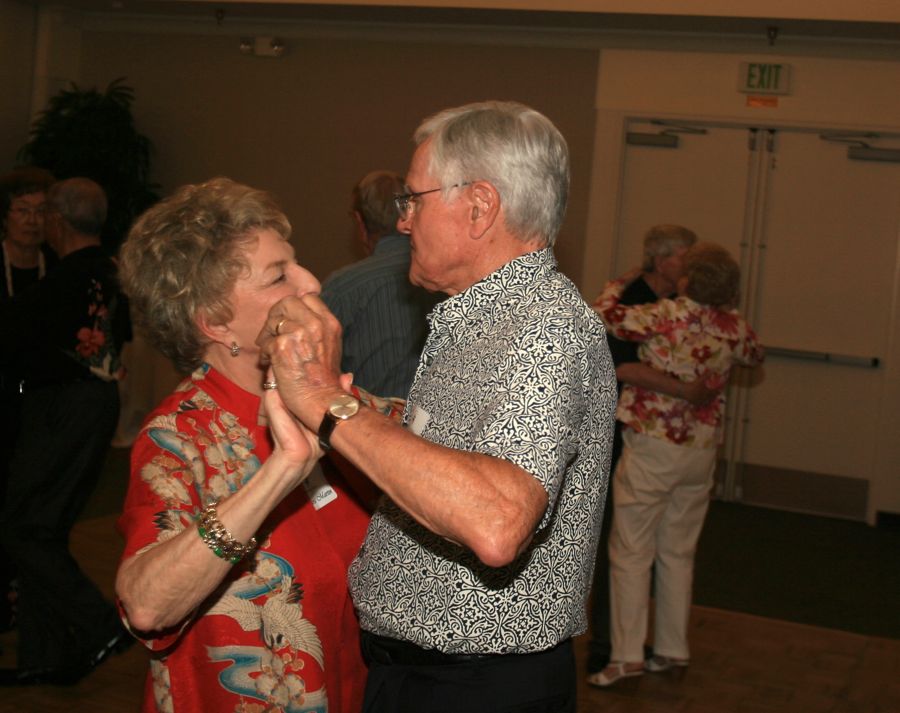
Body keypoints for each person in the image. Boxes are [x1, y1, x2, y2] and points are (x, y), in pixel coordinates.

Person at [257, 101, 617, 711]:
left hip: (475, 685)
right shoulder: (479, 317)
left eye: (415, 200)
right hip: (433, 676)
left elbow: (499, 522)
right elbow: (428, 483)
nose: (402, 223)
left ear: (478, 207)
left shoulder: (543, 329)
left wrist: (325, 402)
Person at [114, 178, 399, 713]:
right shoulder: (180, 437)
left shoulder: (338, 401)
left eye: (297, 263)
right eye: (279, 277)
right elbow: (148, 607)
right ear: (217, 322)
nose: (311, 282)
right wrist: (283, 469)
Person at [590, 242, 764, 687]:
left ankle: (625, 657)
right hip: (702, 451)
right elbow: (755, 356)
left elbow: (607, 314)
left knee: (630, 550)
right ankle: (671, 650)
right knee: (678, 551)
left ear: (688, 280)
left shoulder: (667, 313)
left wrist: (620, 282)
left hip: (654, 443)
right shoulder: (735, 327)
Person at [0, 177, 130, 685]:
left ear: (57, 220)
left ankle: (98, 624)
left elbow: (15, 340)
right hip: (91, 406)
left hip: (63, 412)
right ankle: (46, 654)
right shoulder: (111, 272)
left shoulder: (64, 280)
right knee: (42, 526)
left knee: (23, 528)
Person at [586, 223, 714, 679]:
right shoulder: (638, 299)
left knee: (650, 545)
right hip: (621, 432)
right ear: (662, 261)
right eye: (685, 255)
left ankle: (639, 646)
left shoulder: (680, 308)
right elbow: (620, 365)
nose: (691, 263)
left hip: (657, 440)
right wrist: (687, 390)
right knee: (622, 541)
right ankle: (609, 643)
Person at [321, 170, 443, 398]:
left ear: (359, 221)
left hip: (367, 426)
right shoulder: (448, 274)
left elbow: (316, 378)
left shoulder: (342, 288)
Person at [0, 166, 55, 634]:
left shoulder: (56, 268)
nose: (32, 220)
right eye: (23, 210)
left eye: (41, 211)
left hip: (37, 404)